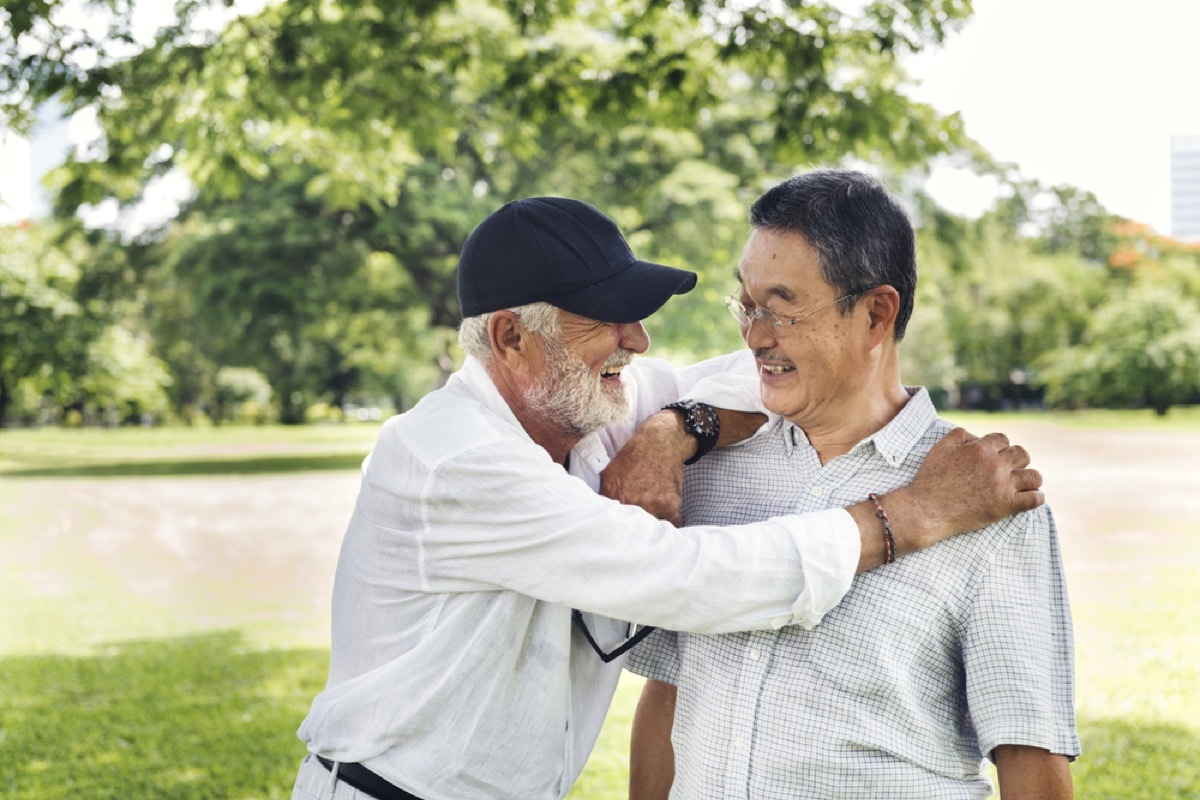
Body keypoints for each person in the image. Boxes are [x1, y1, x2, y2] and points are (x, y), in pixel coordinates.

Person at [290, 196, 1045, 800]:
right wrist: (911, 513)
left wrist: (670, 430)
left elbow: (762, 369)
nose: (639, 341)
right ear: (513, 338)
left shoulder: (589, 405)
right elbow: (687, 578)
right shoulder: (452, 459)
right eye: (606, 319)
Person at [624, 170, 1079, 800]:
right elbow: (670, 691)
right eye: (748, 305)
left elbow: (1030, 759)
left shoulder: (992, 501)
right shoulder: (711, 472)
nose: (755, 336)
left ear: (875, 314)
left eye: (782, 308)